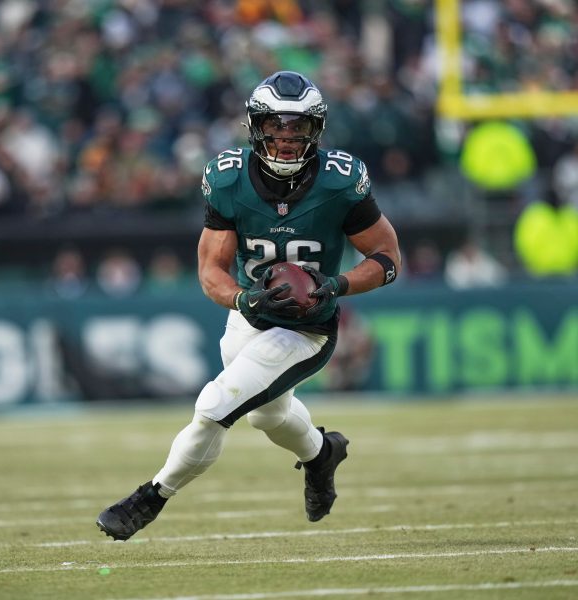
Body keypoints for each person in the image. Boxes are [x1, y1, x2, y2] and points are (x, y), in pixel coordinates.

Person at [96, 71, 401, 541]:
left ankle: (150, 498)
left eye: (297, 129)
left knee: (216, 404)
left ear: (315, 131)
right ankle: (322, 453)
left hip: (306, 328)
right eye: (276, 128)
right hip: (250, 315)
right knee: (269, 415)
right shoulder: (227, 178)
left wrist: (335, 284)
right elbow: (211, 271)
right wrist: (244, 297)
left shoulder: (341, 182)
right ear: (256, 127)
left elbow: (387, 258)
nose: (285, 140)